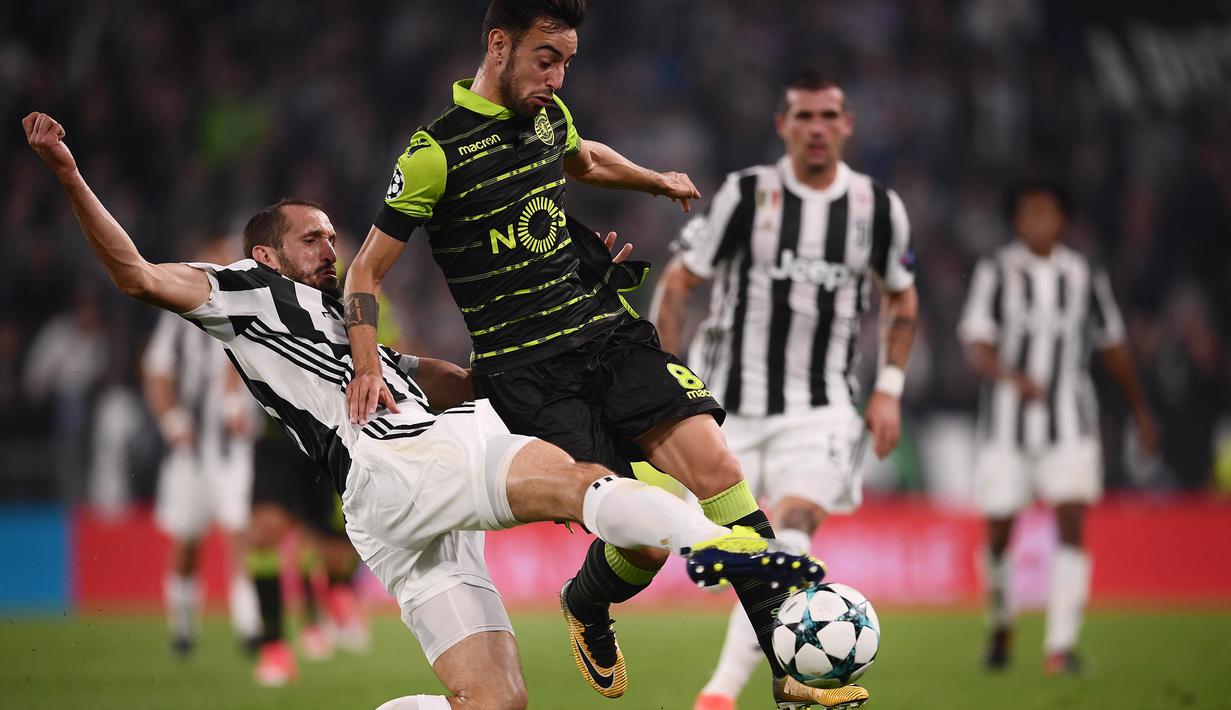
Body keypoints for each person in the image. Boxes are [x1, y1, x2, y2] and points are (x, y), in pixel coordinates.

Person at [24, 110, 826, 710]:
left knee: (496, 703)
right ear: (266, 253)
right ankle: (725, 548)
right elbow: (135, 274)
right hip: (397, 460)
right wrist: (67, 173)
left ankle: (696, 544)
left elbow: (441, 378)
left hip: (386, 507)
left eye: (334, 238)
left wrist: (524, 363)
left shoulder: (343, 322)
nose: (331, 250)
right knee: (577, 482)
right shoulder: (241, 290)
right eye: (314, 240)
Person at [342, 3, 864, 706]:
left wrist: (654, 179)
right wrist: (369, 363)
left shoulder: (548, 119)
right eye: (545, 59)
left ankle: (786, 667)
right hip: (529, 374)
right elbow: (364, 273)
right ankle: (586, 602)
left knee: (718, 467)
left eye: (566, 63)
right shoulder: (435, 152)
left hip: (607, 334)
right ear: (498, 46)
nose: (556, 78)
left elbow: (582, 159)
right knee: (643, 540)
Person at [651, 72, 918, 710]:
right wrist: (661, 376)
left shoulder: (877, 209)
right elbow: (679, 282)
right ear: (783, 125)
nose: (817, 128)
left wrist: (888, 388)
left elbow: (901, 296)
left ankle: (720, 694)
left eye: (829, 115)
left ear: (848, 124)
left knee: (789, 542)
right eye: (804, 116)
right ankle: (770, 667)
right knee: (736, 559)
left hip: (822, 411)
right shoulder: (747, 196)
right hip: (728, 411)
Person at [957, 180, 1158, 675]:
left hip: (1071, 424)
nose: (1038, 223)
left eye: (1048, 213)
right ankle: (1002, 622)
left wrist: (1140, 410)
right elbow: (977, 344)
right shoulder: (996, 272)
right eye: (1029, 214)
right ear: (1015, 221)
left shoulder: (1084, 275)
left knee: (1072, 521)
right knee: (1000, 533)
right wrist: (1011, 377)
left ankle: (1060, 647)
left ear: (1063, 220)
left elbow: (1112, 345)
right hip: (1005, 428)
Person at [141, 238, 262, 659]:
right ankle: (183, 630)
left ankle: (250, 630)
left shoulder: (249, 310)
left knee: (239, 535)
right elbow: (156, 372)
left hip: (232, 450)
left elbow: (243, 370)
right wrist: (173, 420)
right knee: (186, 543)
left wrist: (237, 407)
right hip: (190, 451)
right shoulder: (178, 320)